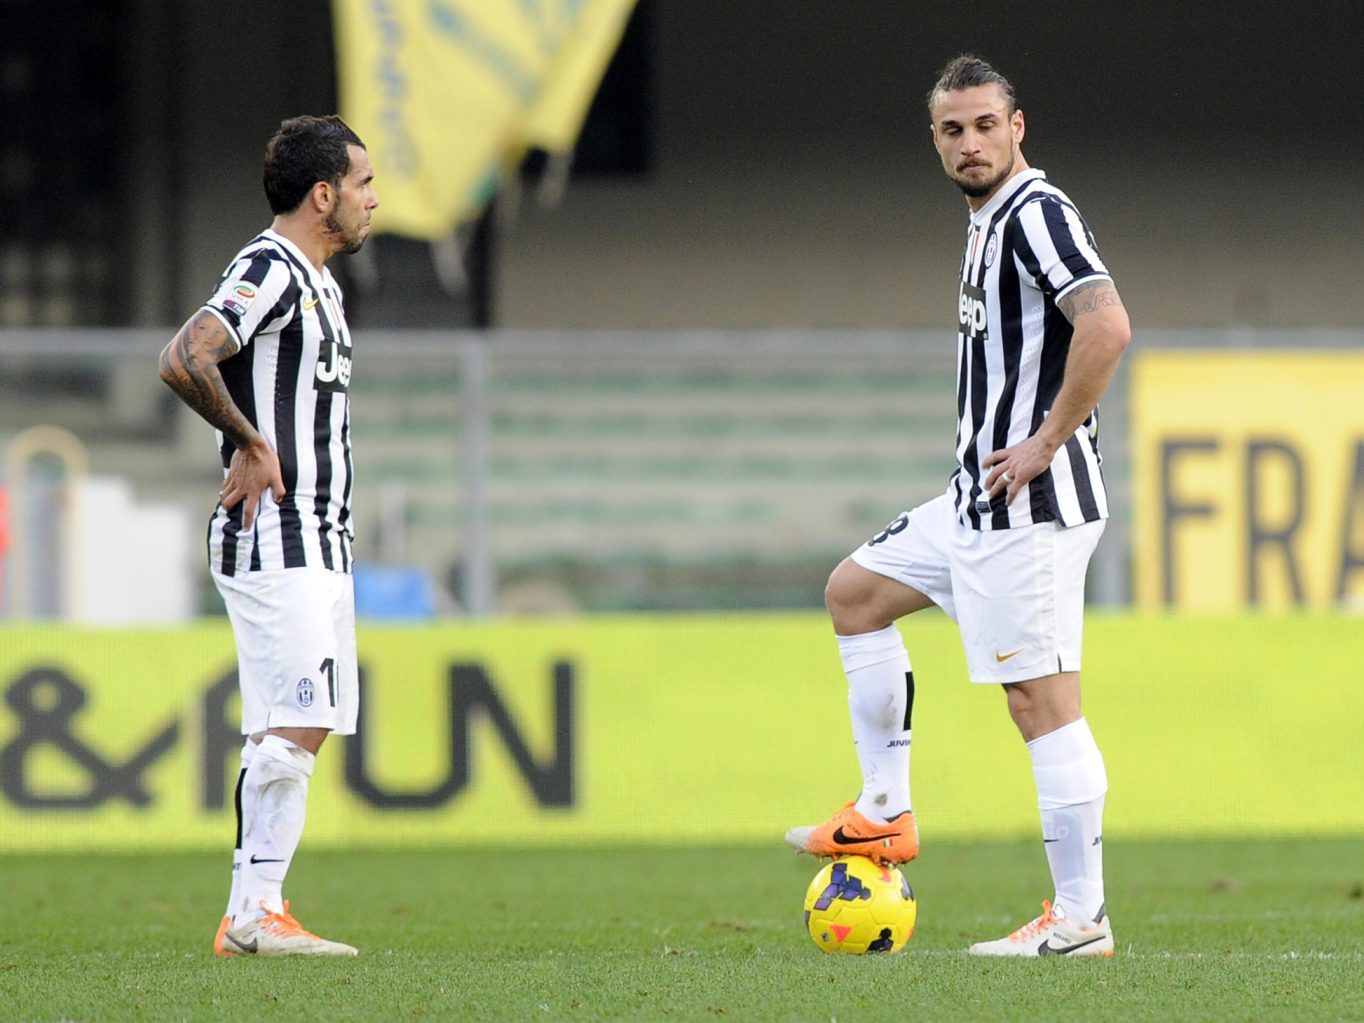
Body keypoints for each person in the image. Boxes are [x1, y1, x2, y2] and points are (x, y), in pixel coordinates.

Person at [785, 55, 1131, 957]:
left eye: (986, 125)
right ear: (935, 139)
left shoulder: (1036, 214)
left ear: (1019, 127)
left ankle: (1080, 917)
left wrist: (1047, 440)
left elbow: (1108, 324)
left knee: (1041, 701)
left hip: (1034, 505)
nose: (970, 143)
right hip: (974, 502)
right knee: (854, 593)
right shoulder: (985, 220)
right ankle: (886, 807)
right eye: (953, 130)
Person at [158, 115, 378, 957]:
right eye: (361, 183)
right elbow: (186, 355)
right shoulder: (271, 267)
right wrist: (252, 442)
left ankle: (257, 908)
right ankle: (252, 914)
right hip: (274, 530)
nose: (372, 199)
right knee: (295, 717)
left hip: (320, 535)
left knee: (309, 719)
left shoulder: (320, 281)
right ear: (322, 194)